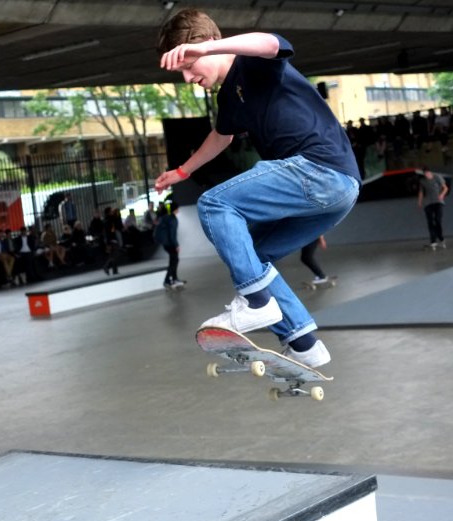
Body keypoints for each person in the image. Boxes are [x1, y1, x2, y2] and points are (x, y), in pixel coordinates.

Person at [154, 9, 360, 368]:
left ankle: (256, 304)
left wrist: (207, 49)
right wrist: (183, 172)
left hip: (318, 169)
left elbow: (271, 43)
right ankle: (304, 342)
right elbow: (222, 135)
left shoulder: (253, 62)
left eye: (190, 65)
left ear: (206, 45)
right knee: (256, 256)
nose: (188, 77)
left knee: (215, 205)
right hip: (335, 190)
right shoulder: (229, 99)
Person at [417, 166, 449, 250]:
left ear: (430, 172)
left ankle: (441, 238)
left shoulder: (437, 177)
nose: (427, 176)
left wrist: (442, 195)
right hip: (428, 203)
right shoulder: (422, 181)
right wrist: (419, 201)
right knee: (430, 222)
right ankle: (433, 241)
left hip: (438, 202)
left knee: (437, 220)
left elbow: (445, 188)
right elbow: (421, 192)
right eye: (425, 174)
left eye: (427, 174)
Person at [154, 202, 184, 288]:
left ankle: (173, 279)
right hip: (170, 243)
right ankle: (168, 280)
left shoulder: (166, 217)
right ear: (176, 209)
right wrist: (176, 245)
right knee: (174, 261)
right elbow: (172, 234)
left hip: (165, 243)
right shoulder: (173, 219)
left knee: (174, 260)